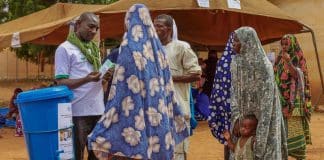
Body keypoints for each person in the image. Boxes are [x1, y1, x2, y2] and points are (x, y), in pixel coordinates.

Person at [88, 4, 189, 160]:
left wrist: (106, 126)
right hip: (158, 119)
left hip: (135, 121)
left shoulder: (129, 47)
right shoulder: (159, 51)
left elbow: (122, 91)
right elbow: (168, 87)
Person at [229, 26, 288, 160]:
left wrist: (260, 137)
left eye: (237, 41)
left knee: (263, 153)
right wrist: (237, 119)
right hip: (244, 122)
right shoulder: (236, 63)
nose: (233, 44)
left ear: (247, 42)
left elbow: (267, 106)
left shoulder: (263, 65)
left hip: (264, 123)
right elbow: (234, 93)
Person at [55, 12, 105, 160]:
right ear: (78, 25)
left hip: (98, 110)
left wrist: (105, 77)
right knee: (76, 154)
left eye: (96, 28)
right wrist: (86, 79)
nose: (94, 31)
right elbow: (61, 82)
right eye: (90, 26)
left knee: (96, 155)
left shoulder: (94, 50)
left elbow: (97, 78)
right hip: (77, 112)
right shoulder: (64, 49)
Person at [154, 14, 202, 160]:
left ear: (169, 29)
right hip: (155, 112)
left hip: (178, 111)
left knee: (178, 154)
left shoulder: (181, 47)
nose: (155, 29)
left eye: (159, 26)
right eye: (153, 25)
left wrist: (169, 78)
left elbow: (196, 74)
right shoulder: (150, 50)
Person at [274, 34, 312, 160]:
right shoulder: (280, 57)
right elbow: (274, 72)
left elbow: (298, 76)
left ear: (293, 44)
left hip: (294, 101)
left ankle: (300, 156)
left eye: (287, 44)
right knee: (282, 132)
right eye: (283, 44)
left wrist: (288, 61)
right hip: (281, 100)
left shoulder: (298, 57)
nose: (284, 47)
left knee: (295, 130)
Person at [207, 32, 235, 160]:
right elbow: (219, 87)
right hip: (229, 107)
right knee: (230, 136)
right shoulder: (224, 61)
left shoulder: (248, 61)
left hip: (231, 107)